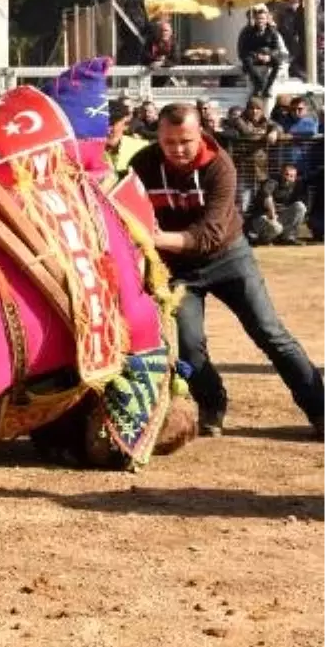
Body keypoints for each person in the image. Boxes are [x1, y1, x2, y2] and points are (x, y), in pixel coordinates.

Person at [129, 103, 325, 439]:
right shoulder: (142, 166)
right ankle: (212, 404)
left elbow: (210, 234)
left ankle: (319, 408)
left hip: (228, 258)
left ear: (200, 134)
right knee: (188, 345)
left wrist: (160, 238)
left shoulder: (220, 165)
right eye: (169, 142)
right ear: (158, 138)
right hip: (177, 271)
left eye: (185, 141)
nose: (177, 149)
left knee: (269, 332)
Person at [247, 163, 308, 246]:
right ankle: (262, 239)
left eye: (292, 176)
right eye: (286, 174)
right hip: (262, 216)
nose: (288, 178)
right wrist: (273, 216)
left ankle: (287, 237)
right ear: (281, 174)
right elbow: (267, 197)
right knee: (276, 228)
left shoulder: (295, 186)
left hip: (278, 216)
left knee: (300, 207)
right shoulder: (272, 181)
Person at [237, 5, 287, 98]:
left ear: (266, 19)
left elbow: (276, 48)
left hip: (267, 56)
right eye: (258, 18)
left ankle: (267, 87)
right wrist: (257, 56)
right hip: (253, 56)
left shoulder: (272, 31)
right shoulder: (248, 31)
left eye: (263, 18)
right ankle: (260, 84)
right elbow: (244, 49)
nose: (260, 21)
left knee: (277, 63)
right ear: (255, 19)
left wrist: (269, 56)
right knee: (247, 62)